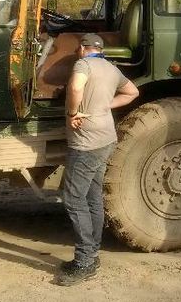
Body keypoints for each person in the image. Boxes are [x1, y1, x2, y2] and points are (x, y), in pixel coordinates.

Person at [56, 33, 139, 286]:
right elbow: (133, 92)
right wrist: (105, 106)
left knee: (73, 198)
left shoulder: (83, 64)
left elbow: (75, 87)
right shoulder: (111, 68)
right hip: (106, 138)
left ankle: (84, 261)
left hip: (86, 143)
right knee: (92, 197)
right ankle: (92, 254)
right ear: (100, 49)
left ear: (82, 48)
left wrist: (73, 112)